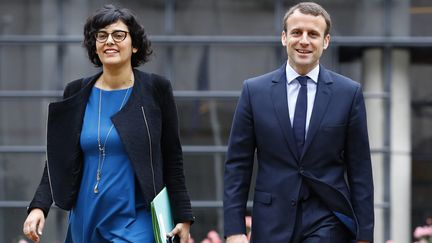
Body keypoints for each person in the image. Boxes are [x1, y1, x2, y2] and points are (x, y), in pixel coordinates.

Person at [22, 4, 193, 243]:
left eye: (118, 35)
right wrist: (39, 206)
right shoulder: (77, 91)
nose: (109, 41)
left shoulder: (156, 89)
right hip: (86, 217)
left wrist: (183, 217)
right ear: (95, 46)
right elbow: (60, 158)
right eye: (101, 36)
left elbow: (172, 156)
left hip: (137, 218)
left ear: (134, 45)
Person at [223, 2, 373, 243]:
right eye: (296, 32)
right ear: (284, 38)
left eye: (313, 34)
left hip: (328, 220)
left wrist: (364, 234)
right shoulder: (254, 91)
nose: (304, 40)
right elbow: (237, 167)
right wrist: (234, 229)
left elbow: (360, 169)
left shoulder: (349, 93)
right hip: (271, 221)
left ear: (325, 41)